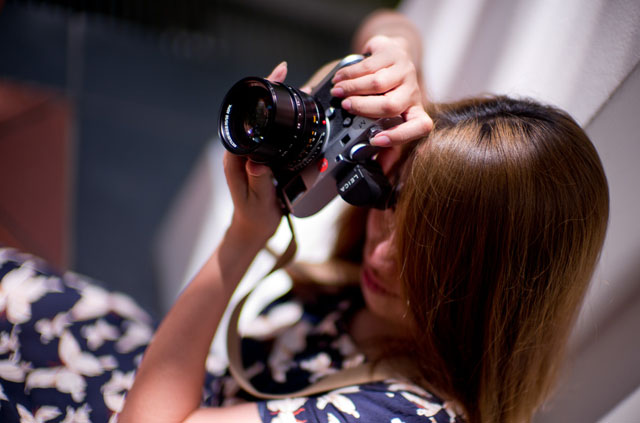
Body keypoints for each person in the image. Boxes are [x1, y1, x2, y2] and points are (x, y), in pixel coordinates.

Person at [0, 10, 608, 423]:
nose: (381, 253)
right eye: (390, 201)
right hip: (165, 371)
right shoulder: (401, 313)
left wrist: (243, 238)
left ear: (494, 290)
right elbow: (390, 24)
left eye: (428, 252)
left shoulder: (399, 415)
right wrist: (394, 58)